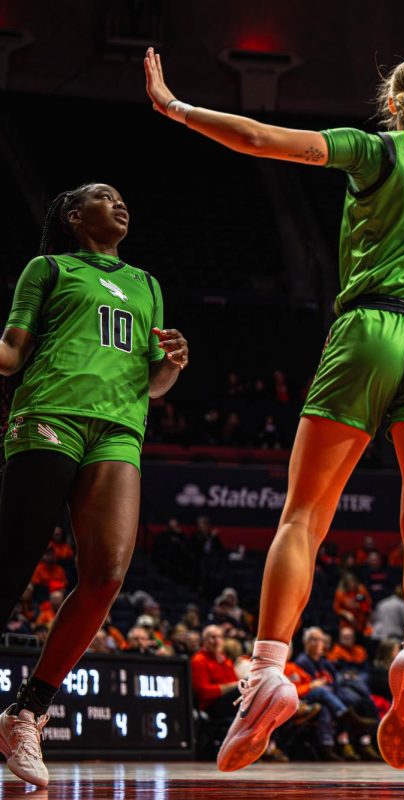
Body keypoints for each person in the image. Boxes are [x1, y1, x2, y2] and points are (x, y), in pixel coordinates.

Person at [143, 48, 404, 771]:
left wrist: (177, 108)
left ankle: (269, 671)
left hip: (371, 328)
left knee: (304, 516)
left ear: (393, 106)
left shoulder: (374, 150)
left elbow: (261, 138)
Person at [0, 183, 188, 788]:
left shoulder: (148, 284)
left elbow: (152, 383)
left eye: (122, 196)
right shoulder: (49, 267)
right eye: (105, 197)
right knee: (14, 560)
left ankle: (26, 712)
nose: (121, 202)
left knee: (107, 574)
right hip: (51, 411)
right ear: (76, 216)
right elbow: (11, 352)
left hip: (119, 428)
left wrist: (170, 365)